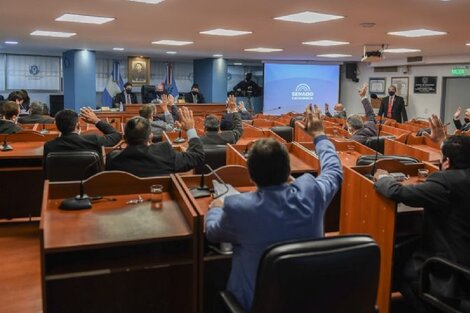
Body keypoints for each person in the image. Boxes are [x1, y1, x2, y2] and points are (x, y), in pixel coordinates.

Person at [205, 105, 343, 312]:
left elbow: (213, 232)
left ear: (250, 176)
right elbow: (334, 171)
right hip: (306, 301)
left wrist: (216, 207)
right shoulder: (312, 193)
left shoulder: (239, 208)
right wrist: (319, 135)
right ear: (289, 170)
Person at [374, 115, 470, 312]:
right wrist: (443, 142)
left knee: (399, 267)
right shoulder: (458, 177)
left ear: (447, 162)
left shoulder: (446, 183)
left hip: (453, 272)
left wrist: (383, 177)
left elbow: (398, 192)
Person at [106, 107, 204, 177]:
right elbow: (197, 156)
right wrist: (190, 129)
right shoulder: (164, 151)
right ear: (150, 137)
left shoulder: (113, 158)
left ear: (124, 138)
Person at [43, 108, 122, 162]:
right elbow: (116, 135)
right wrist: (96, 120)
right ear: (78, 125)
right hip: (89, 183)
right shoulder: (93, 140)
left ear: (57, 126)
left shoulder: (49, 146)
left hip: (58, 185)